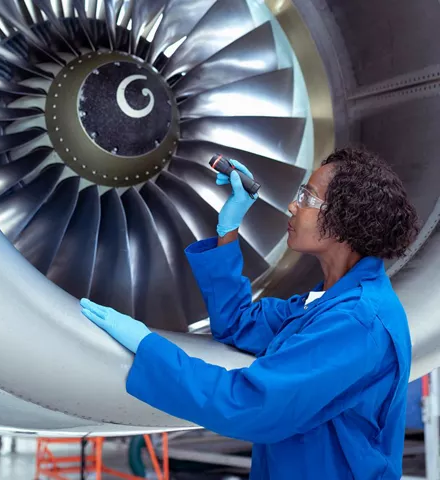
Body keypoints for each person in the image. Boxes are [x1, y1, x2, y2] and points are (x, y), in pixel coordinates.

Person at [80, 146, 420, 479]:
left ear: (347, 219)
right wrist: (229, 226)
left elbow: (251, 405)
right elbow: (238, 322)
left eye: (307, 198)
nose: (292, 206)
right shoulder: (326, 303)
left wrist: (148, 347)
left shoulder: (357, 323)